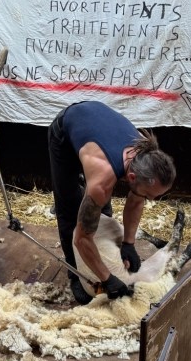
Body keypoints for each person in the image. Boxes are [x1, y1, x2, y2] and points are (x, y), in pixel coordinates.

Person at [48, 100, 176, 304]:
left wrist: (129, 243)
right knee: (70, 206)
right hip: (65, 130)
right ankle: (75, 274)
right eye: (148, 195)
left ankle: (89, 195)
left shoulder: (147, 155)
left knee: (102, 213)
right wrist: (107, 279)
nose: (151, 200)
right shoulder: (102, 180)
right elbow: (81, 239)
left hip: (97, 125)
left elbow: (136, 200)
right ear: (132, 177)